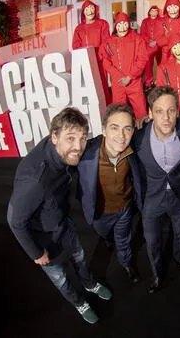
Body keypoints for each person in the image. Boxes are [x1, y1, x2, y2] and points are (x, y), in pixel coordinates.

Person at [7, 107, 112, 324]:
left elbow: (88, 144)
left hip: (64, 223)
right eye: (70, 138)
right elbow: (15, 221)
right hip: (43, 240)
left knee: (80, 258)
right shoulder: (35, 180)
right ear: (54, 137)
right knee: (61, 279)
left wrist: (116, 132)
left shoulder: (63, 148)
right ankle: (79, 303)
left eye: (82, 138)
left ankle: (89, 283)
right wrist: (36, 253)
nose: (78, 146)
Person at [133, 86, 180, 293]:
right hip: (152, 198)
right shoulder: (138, 138)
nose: (166, 117)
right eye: (159, 111)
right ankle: (158, 274)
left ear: (178, 111)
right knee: (152, 241)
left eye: (171, 110)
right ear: (150, 114)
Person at [76, 103, 142, 284]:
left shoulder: (133, 150)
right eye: (115, 128)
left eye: (127, 129)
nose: (121, 136)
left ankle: (127, 263)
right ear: (104, 130)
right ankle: (106, 238)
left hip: (124, 209)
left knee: (123, 240)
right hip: (99, 212)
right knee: (106, 235)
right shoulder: (86, 154)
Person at [101, 11, 149, 119]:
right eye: (119, 24)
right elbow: (106, 62)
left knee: (141, 110)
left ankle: (144, 133)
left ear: (129, 24)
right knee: (118, 112)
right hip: (118, 83)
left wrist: (130, 76)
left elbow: (142, 59)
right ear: (115, 25)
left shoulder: (137, 39)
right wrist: (118, 76)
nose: (122, 27)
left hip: (134, 81)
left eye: (125, 24)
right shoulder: (108, 42)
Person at [72, 0, 111, 103]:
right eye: (87, 9)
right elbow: (75, 46)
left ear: (95, 9)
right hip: (86, 62)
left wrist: (98, 56)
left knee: (102, 85)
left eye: (92, 8)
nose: (90, 11)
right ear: (83, 12)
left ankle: (106, 106)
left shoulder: (103, 23)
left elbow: (106, 41)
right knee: (89, 85)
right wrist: (83, 58)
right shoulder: (79, 28)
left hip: (100, 61)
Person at [140, 5, 162, 86]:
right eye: (152, 10)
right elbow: (142, 33)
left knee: (161, 64)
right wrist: (149, 41)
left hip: (159, 45)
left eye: (155, 10)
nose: (154, 12)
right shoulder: (145, 21)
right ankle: (149, 82)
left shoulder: (161, 20)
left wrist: (156, 41)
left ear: (157, 12)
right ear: (149, 12)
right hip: (148, 46)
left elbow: (163, 33)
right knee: (148, 65)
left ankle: (161, 81)